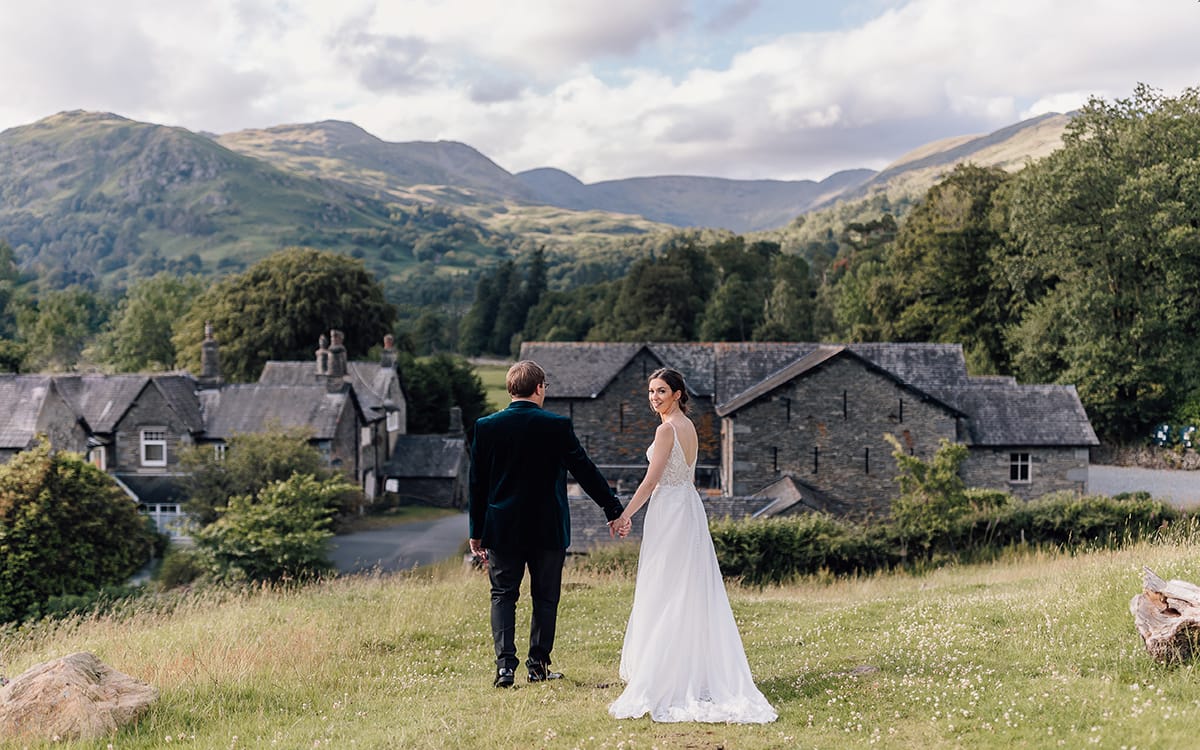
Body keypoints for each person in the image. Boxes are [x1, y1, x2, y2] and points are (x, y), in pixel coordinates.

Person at [608, 368, 777, 723]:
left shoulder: (666, 429)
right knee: (685, 586)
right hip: (687, 506)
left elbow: (651, 480)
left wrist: (624, 515)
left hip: (669, 509)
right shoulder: (688, 426)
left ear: (677, 394)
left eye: (661, 391)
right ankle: (691, 668)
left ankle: (663, 673)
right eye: (651, 391)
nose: (654, 397)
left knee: (665, 586)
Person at [469, 360, 625, 688]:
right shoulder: (557, 426)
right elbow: (585, 471)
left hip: (503, 527)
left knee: (502, 595)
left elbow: (477, 484)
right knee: (545, 597)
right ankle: (537, 666)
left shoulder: (486, 426)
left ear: (510, 389)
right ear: (539, 388)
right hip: (547, 527)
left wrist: (476, 531)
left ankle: (504, 668)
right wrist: (612, 508)